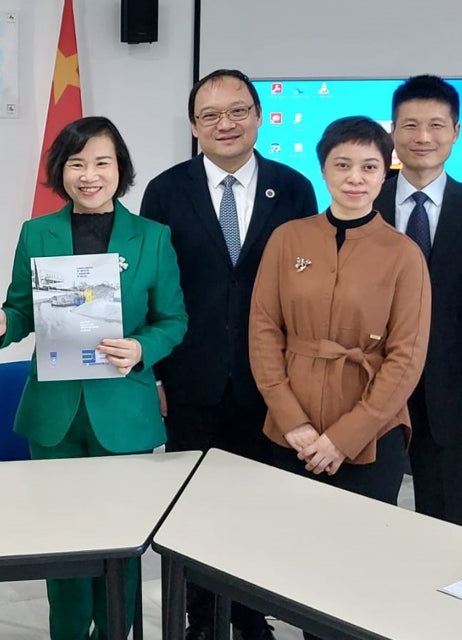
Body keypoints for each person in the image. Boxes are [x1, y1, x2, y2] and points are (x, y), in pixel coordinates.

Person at [0, 116, 187, 640]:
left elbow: (173, 319)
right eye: (76, 163)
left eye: (102, 162)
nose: (89, 174)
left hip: (123, 411)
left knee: (121, 546)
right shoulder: (38, 232)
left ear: (119, 168)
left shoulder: (152, 237)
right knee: (63, 548)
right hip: (54, 415)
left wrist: (143, 347)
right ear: (61, 170)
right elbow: (20, 312)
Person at [140, 69, 314, 640]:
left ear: (258, 117)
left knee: (260, 504)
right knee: (192, 506)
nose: (226, 124)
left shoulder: (292, 188)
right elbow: (153, 288)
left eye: (237, 111)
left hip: (272, 380)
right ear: (193, 126)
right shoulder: (165, 190)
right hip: (192, 376)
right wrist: (157, 374)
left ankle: (249, 613)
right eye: (210, 115)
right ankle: (200, 618)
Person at [250, 115, 429, 503]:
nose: (355, 178)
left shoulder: (404, 254)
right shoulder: (288, 238)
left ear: (385, 173)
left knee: (359, 550)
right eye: (342, 165)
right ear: (323, 169)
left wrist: (344, 438)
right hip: (291, 426)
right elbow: (263, 330)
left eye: (369, 167)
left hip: (374, 431)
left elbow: (406, 357)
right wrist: (291, 420)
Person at [373, 75, 462, 528]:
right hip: (369, 386)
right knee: (366, 513)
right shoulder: (363, 202)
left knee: (447, 518)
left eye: (436, 124)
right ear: (392, 131)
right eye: (410, 125)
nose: (423, 137)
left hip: (450, 394)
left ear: (455, 131)